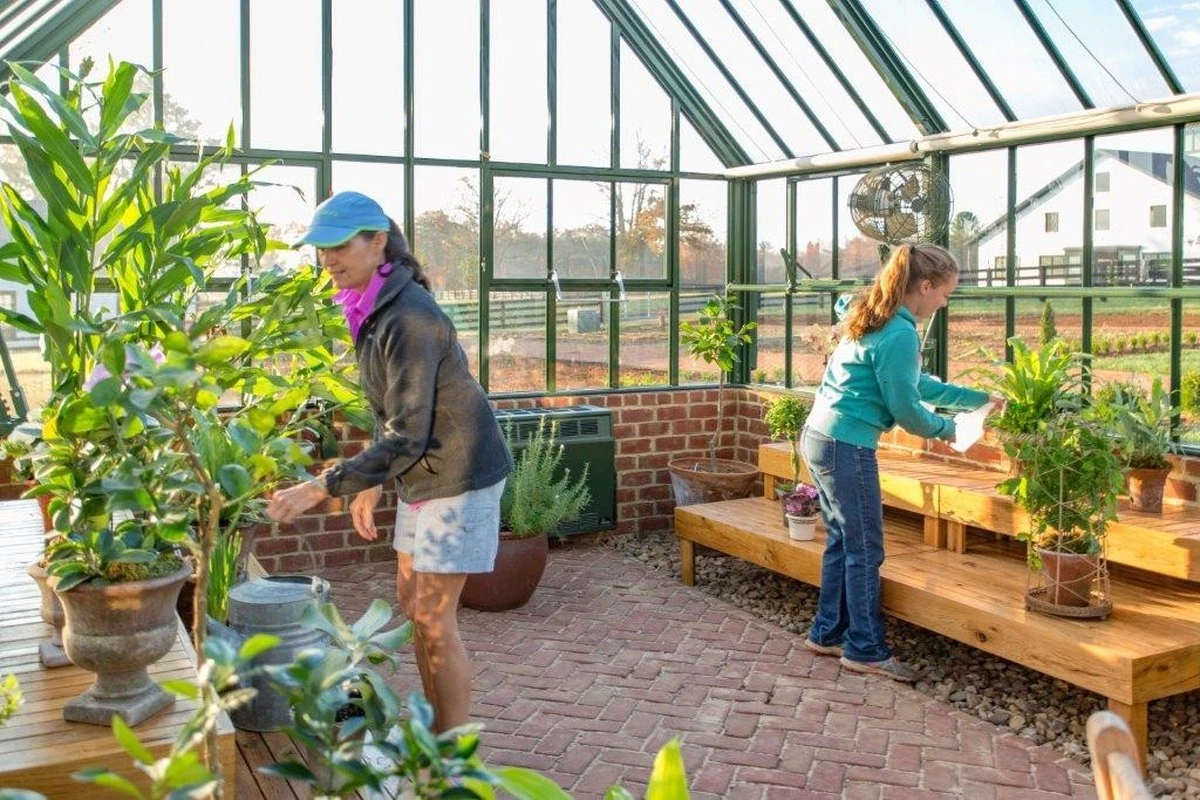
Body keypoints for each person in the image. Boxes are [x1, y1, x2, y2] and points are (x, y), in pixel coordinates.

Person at [267, 191, 512, 731]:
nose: (327, 259)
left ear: (377, 243)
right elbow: (393, 410)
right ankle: (431, 726)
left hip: (458, 475)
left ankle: (449, 756)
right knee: (411, 604)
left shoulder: (408, 318)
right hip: (421, 475)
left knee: (433, 618)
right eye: (321, 249)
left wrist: (321, 487)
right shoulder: (373, 309)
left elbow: (407, 432)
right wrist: (372, 485)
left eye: (338, 246)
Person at [801, 243, 998, 682]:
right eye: (945, 294)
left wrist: (978, 400)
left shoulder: (877, 315)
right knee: (865, 548)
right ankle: (865, 649)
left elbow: (911, 382)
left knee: (842, 541)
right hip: (845, 445)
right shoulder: (900, 332)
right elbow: (906, 408)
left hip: (820, 436)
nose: (945, 303)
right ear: (924, 286)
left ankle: (828, 633)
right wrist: (953, 432)